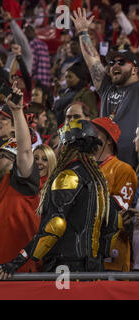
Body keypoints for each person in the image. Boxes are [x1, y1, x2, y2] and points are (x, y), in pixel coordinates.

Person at [0, 120, 118, 278]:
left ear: (67, 145)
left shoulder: (68, 176)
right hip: (95, 268)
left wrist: (18, 261)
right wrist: (99, 256)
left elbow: (55, 226)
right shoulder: (98, 179)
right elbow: (114, 223)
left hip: (65, 267)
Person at [0, 83, 41, 273]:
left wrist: (17, 112)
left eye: (4, 156)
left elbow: (24, 153)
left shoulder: (22, 178)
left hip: (16, 272)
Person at [72, 8, 139, 169]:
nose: (115, 65)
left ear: (135, 70)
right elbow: (93, 61)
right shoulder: (107, 88)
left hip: (129, 165)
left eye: (121, 62)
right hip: (102, 165)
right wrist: (83, 32)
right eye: (112, 62)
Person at [91, 117, 137, 271]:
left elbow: (117, 211)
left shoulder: (123, 170)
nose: (90, 135)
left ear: (109, 140)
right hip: (85, 255)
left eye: (96, 133)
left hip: (112, 258)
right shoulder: (83, 167)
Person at [53, 61, 97, 126]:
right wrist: (56, 93)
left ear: (79, 78)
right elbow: (57, 108)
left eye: (70, 77)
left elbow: (93, 115)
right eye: (66, 77)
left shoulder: (86, 93)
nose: (67, 80)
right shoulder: (67, 92)